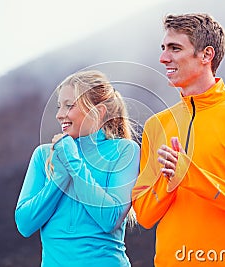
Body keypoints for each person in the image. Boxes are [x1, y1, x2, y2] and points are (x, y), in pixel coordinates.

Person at [132, 13, 225, 266]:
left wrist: (191, 176)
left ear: (206, 55)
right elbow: (144, 215)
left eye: (175, 48)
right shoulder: (156, 126)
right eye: (163, 48)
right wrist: (170, 183)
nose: (163, 58)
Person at [15, 70, 140, 267]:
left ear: (98, 112)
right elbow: (24, 223)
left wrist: (72, 162)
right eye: (59, 106)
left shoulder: (125, 151)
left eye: (69, 106)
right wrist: (61, 174)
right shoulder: (43, 155)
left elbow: (110, 219)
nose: (59, 115)